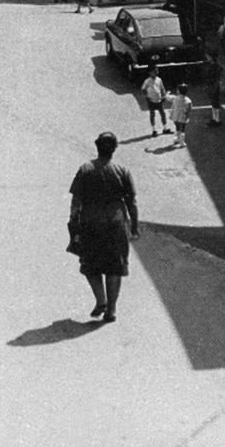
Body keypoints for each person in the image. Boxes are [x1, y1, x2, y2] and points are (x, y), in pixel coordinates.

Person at [68, 132, 139, 323]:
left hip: (91, 221)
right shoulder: (122, 170)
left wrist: (73, 223)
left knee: (90, 263)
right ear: (114, 149)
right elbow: (132, 201)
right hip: (116, 222)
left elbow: (76, 200)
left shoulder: (85, 169)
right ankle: (112, 310)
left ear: (96, 146)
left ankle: (101, 299)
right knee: (115, 266)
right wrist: (134, 226)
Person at [141, 65, 173, 137]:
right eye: (154, 71)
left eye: (157, 71)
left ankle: (165, 128)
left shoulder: (159, 79)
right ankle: (154, 130)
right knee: (152, 114)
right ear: (150, 72)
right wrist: (147, 96)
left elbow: (162, 88)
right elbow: (143, 89)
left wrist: (164, 96)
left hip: (159, 100)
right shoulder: (147, 81)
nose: (156, 72)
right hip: (151, 100)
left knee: (163, 114)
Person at [169, 83, 193, 147]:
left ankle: (176, 139)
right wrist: (187, 115)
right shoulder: (188, 100)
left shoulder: (174, 98)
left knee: (177, 127)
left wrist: (167, 94)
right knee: (182, 129)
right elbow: (190, 108)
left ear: (178, 91)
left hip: (175, 116)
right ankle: (182, 143)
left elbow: (168, 98)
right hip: (183, 117)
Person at [204, 53, 223, 127]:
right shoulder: (214, 66)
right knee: (213, 102)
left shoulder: (214, 66)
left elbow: (213, 76)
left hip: (214, 85)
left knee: (215, 102)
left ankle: (216, 119)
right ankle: (215, 118)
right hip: (213, 85)